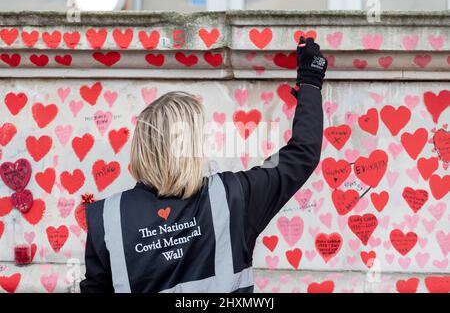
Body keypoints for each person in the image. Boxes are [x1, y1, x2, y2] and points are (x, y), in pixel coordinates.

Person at [79, 37, 327, 293]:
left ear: (142, 147)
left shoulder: (106, 218)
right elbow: (301, 155)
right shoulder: (233, 198)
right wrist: (310, 80)